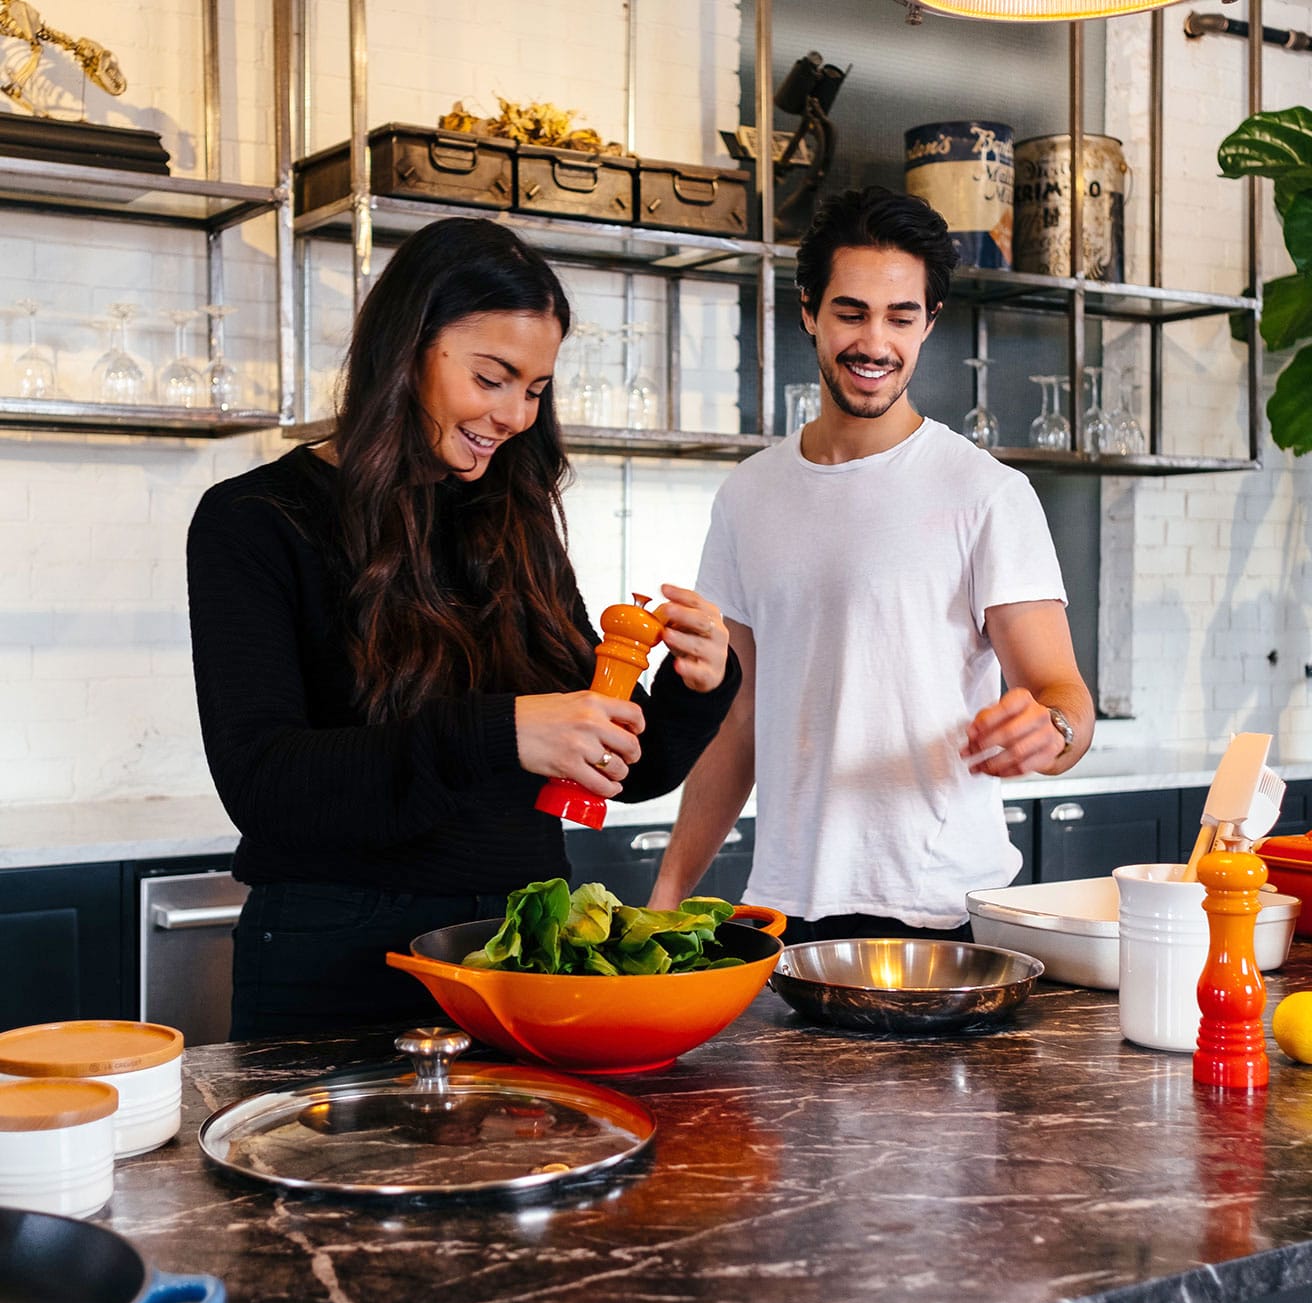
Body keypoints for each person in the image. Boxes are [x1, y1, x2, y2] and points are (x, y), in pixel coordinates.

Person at [187, 216, 739, 1041]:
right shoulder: (255, 521)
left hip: (523, 958)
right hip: (335, 971)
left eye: (536, 389)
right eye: (493, 377)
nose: (515, 414)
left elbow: (613, 772)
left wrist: (696, 686)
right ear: (408, 348)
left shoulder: (516, 522)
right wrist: (502, 733)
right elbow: (264, 786)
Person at [648, 184, 1093, 944]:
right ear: (809, 313)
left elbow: (1064, 701)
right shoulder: (750, 494)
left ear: (930, 324)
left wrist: (1048, 732)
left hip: (943, 915)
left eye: (901, 316)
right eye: (851, 312)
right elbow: (738, 720)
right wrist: (665, 899)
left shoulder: (987, 493)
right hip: (784, 913)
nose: (874, 342)